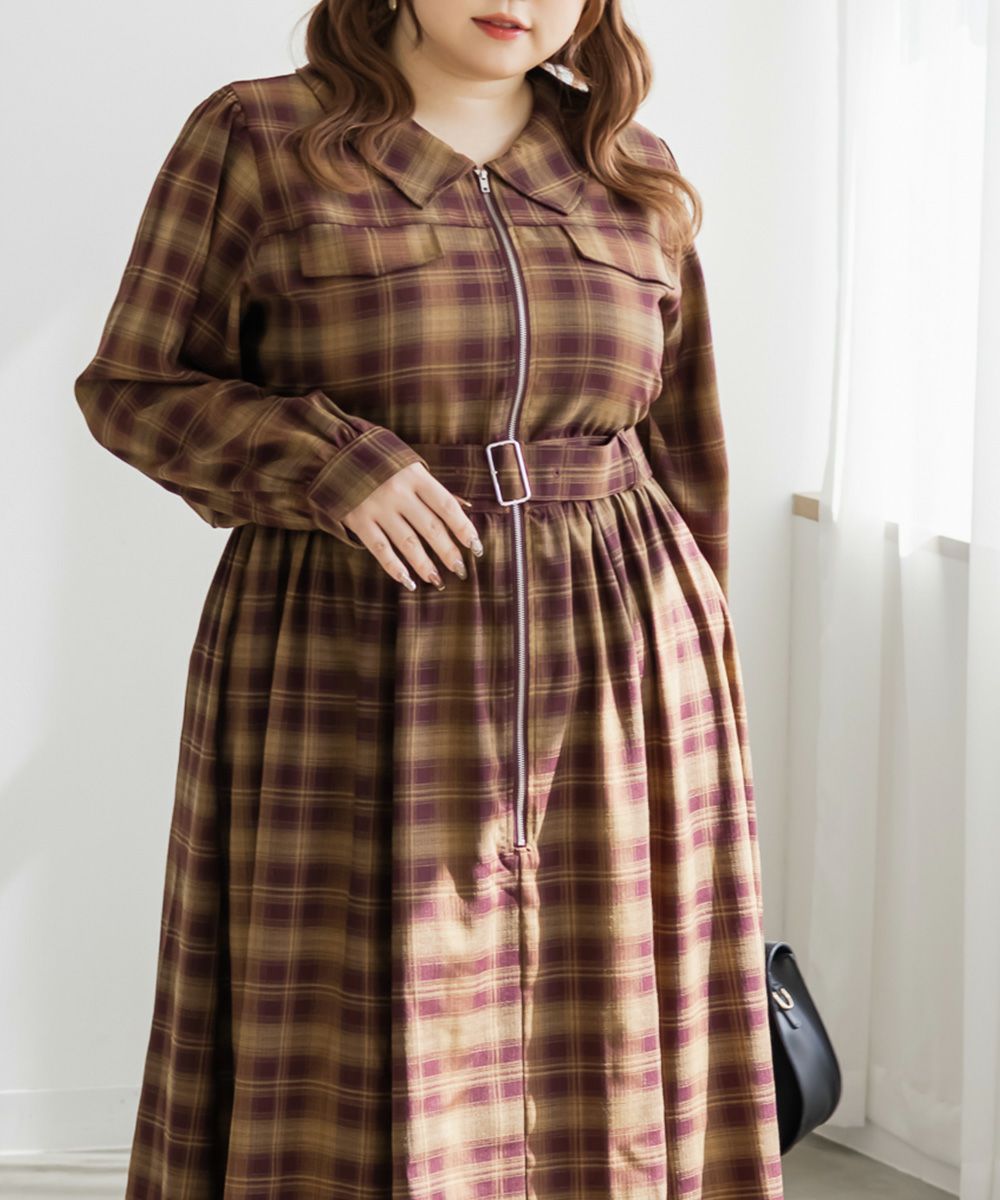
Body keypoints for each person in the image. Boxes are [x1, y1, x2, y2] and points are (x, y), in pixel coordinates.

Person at [74, 1, 785, 1196]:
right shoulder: (261, 137)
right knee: (356, 1012)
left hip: (621, 668)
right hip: (349, 650)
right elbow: (133, 385)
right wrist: (327, 462)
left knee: (609, 1014)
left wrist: (698, 686)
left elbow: (684, 444)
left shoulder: (628, 164)